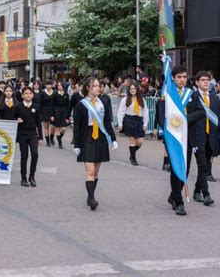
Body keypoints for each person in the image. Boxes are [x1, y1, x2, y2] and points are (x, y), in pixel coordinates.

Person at [159, 66, 205, 216]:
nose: (182, 80)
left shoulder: (191, 94)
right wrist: (163, 132)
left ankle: (173, 195)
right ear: (173, 78)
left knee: (185, 169)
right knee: (175, 169)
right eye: (179, 77)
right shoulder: (168, 94)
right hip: (172, 136)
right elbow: (161, 113)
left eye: (184, 77)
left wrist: (184, 120)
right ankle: (178, 202)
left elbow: (201, 112)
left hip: (188, 137)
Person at [73, 77, 118, 211]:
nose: (99, 88)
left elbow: (107, 122)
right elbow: (77, 126)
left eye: (99, 86)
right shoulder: (81, 104)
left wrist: (113, 139)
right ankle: (92, 199)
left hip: (101, 138)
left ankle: (90, 195)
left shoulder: (103, 102)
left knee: (96, 172)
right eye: (95, 86)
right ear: (88, 88)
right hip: (87, 137)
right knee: (90, 171)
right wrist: (76, 144)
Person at [194, 71, 220, 189]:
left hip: (211, 135)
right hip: (198, 136)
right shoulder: (193, 97)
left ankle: (197, 191)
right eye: (203, 80)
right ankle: (205, 192)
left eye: (207, 80)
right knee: (202, 164)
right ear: (197, 82)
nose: (206, 82)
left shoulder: (214, 98)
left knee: (207, 162)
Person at [13, 87, 43, 187]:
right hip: (22, 134)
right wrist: (16, 120)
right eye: (26, 93)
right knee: (24, 156)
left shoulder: (36, 107)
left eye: (30, 93)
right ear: (22, 95)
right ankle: (23, 177)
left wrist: (41, 137)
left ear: (33, 95)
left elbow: (39, 123)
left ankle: (32, 177)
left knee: (35, 154)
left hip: (33, 134)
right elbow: (13, 118)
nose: (28, 95)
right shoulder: (18, 106)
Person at [117, 82, 149, 166]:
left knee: (139, 141)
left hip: (139, 120)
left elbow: (145, 112)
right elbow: (121, 111)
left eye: (134, 89)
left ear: (137, 90)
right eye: (131, 89)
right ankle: (133, 158)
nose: (132, 90)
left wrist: (145, 123)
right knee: (132, 139)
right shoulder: (125, 99)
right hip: (129, 119)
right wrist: (120, 123)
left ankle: (132, 153)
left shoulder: (142, 99)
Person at [50, 81, 70, 149]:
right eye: (58, 85)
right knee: (57, 128)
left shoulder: (66, 95)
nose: (59, 86)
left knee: (63, 129)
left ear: (63, 86)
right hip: (56, 111)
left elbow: (68, 106)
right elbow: (52, 105)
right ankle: (60, 143)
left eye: (60, 85)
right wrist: (52, 115)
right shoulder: (55, 94)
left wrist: (68, 116)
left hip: (64, 112)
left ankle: (59, 138)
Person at [39, 81, 55, 146]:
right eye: (47, 84)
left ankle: (51, 138)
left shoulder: (54, 92)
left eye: (50, 84)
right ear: (45, 85)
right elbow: (40, 104)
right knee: (46, 126)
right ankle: (48, 141)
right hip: (44, 110)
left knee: (53, 126)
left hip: (53, 110)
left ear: (52, 85)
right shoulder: (42, 93)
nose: (48, 86)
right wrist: (40, 113)